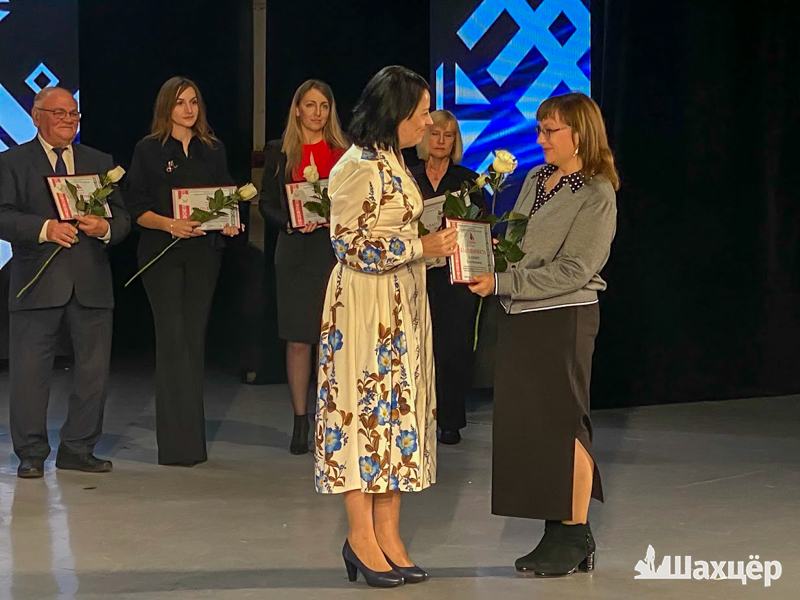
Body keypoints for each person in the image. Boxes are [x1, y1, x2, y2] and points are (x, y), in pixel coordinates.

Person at [314, 66, 457, 588]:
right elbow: (348, 244)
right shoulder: (356, 165)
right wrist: (421, 245)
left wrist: (438, 246)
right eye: (421, 113)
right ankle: (360, 537)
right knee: (363, 413)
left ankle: (388, 535)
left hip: (401, 302)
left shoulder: (393, 158)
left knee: (396, 415)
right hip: (364, 307)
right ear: (394, 113)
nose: (428, 123)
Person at [468, 92, 619, 576]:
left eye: (550, 131)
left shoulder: (597, 192)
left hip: (564, 317)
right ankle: (557, 530)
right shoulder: (536, 178)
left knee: (566, 423)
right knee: (535, 427)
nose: (540, 139)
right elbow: (518, 241)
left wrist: (503, 282)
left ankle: (575, 533)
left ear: (580, 134)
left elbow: (576, 269)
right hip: (524, 315)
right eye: (539, 129)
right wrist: (488, 250)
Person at [0, 86, 130, 478]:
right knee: (29, 373)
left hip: (91, 282)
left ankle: (78, 448)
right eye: (59, 114)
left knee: (93, 372)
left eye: (73, 114)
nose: (68, 120)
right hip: (36, 283)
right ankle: (31, 453)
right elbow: (3, 215)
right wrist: (45, 229)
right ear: (36, 115)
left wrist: (105, 227)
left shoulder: (98, 162)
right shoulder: (13, 162)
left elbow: (123, 218)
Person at [126, 76, 242, 466]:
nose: (189, 109)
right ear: (167, 107)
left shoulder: (213, 149)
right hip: (162, 255)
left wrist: (229, 221)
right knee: (172, 341)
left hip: (204, 256)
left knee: (192, 341)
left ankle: (192, 444)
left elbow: (227, 195)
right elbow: (136, 206)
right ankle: (173, 445)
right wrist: (169, 224)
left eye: (193, 101)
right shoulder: (148, 149)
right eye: (180, 103)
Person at [259, 80, 347, 454]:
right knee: (298, 340)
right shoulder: (280, 151)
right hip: (294, 251)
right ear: (297, 109)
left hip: (331, 253)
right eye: (310, 105)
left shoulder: (344, 153)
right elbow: (266, 204)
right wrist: (291, 223)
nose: (317, 113)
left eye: (323, 106)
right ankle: (300, 419)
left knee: (332, 340)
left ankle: (331, 418)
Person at [411, 109, 486, 445]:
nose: (441, 141)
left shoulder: (469, 180)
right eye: (436, 134)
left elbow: (482, 227)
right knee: (418, 346)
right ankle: (417, 417)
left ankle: (450, 420)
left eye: (448, 135)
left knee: (453, 347)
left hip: (455, 277)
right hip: (416, 273)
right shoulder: (409, 177)